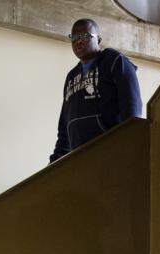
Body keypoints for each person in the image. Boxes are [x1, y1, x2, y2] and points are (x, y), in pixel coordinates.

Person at [49, 18, 143, 163]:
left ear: (98, 40)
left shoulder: (114, 61)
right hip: (80, 160)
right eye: (74, 37)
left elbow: (132, 108)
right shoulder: (71, 76)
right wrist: (55, 162)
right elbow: (65, 128)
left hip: (111, 154)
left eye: (85, 36)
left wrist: (129, 147)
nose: (79, 41)